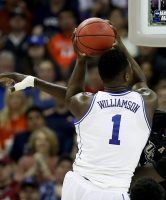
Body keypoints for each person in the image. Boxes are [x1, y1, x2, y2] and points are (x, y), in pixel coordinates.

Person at [0, 24, 157, 199]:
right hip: (113, 190)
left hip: (79, 185)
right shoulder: (146, 100)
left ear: (101, 77)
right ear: (127, 75)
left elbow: (71, 94)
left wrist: (81, 60)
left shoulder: (86, 103)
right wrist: (120, 44)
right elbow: (140, 79)